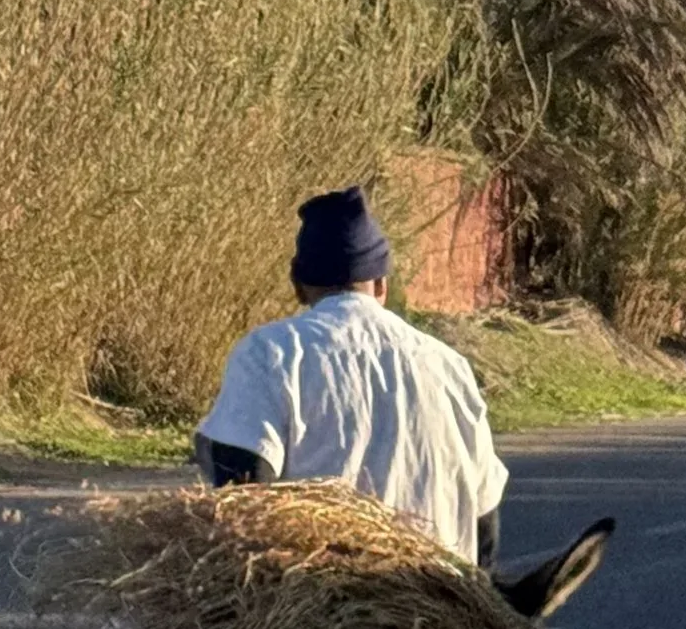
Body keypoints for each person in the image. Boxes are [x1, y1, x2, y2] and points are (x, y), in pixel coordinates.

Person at [195, 186, 508, 569]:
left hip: (324, 608)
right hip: (440, 609)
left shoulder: (271, 352)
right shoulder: (449, 366)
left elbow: (239, 486)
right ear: (381, 284)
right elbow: (484, 518)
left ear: (298, 286)